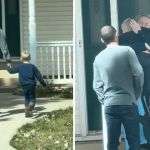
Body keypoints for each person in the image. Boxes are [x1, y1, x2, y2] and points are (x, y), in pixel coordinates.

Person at [93, 25, 144, 150]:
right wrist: (136, 95)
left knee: (112, 142)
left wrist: (104, 100)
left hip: (110, 105)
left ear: (102, 40)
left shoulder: (98, 58)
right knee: (133, 141)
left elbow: (97, 85)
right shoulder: (127, 50)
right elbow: (139, 74)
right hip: (129, 103)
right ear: (116, 36)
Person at [119, 17, 150, 149]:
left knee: (133, 118)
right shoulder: (142, 39)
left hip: (131, 88)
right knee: (142, 115)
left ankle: (136, 144)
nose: (143, 26)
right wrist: (145, 47)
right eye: (141, 24)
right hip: (142, 87)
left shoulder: (120, 41)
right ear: (135, 25)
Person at [7, 51, 46, 117]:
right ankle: (30, 107)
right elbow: (39, 76)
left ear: (21, 58)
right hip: (31, 85)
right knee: (32, 98)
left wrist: (8, 66)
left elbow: (11, 71)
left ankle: (27, 113)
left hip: (23, 85)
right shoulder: (32, 67)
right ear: (30, 58)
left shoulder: (20, 66)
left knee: (26, 98)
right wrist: (43, 84)